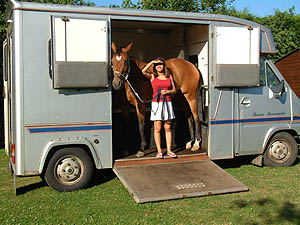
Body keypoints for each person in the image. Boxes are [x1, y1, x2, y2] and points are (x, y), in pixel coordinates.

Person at [142, 58, 177, 159]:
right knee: (158, 128)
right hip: (157, 104)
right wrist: (151, 62)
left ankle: (169, 150)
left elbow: (174, 89)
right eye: (156, 65)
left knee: (168, 127)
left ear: (164, 65)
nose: (158, 66)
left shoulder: (169, 76)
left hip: (167, 103)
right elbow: (143, 71)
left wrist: (168, 92)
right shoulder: (153, 76)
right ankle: (159, 151)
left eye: (160, 64)